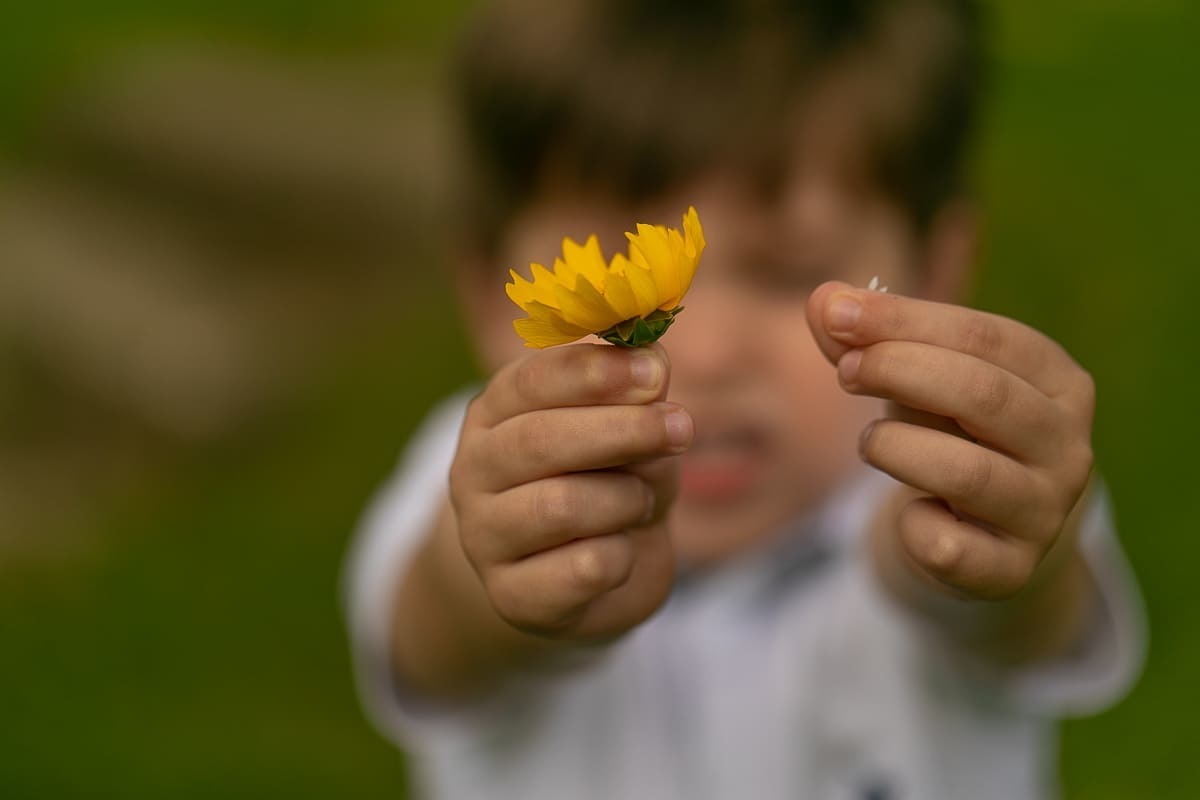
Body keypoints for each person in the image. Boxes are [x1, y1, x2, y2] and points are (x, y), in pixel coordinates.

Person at [344, 0, 1145, 797]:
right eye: (613, 288)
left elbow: (1017, 612)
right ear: (493, 296)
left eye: (788, 271)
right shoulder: (475, 469)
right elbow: (438, 632)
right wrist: (507, 574)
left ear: (931, 276)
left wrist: (987, 537)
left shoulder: (943, 466)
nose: (709, 349)